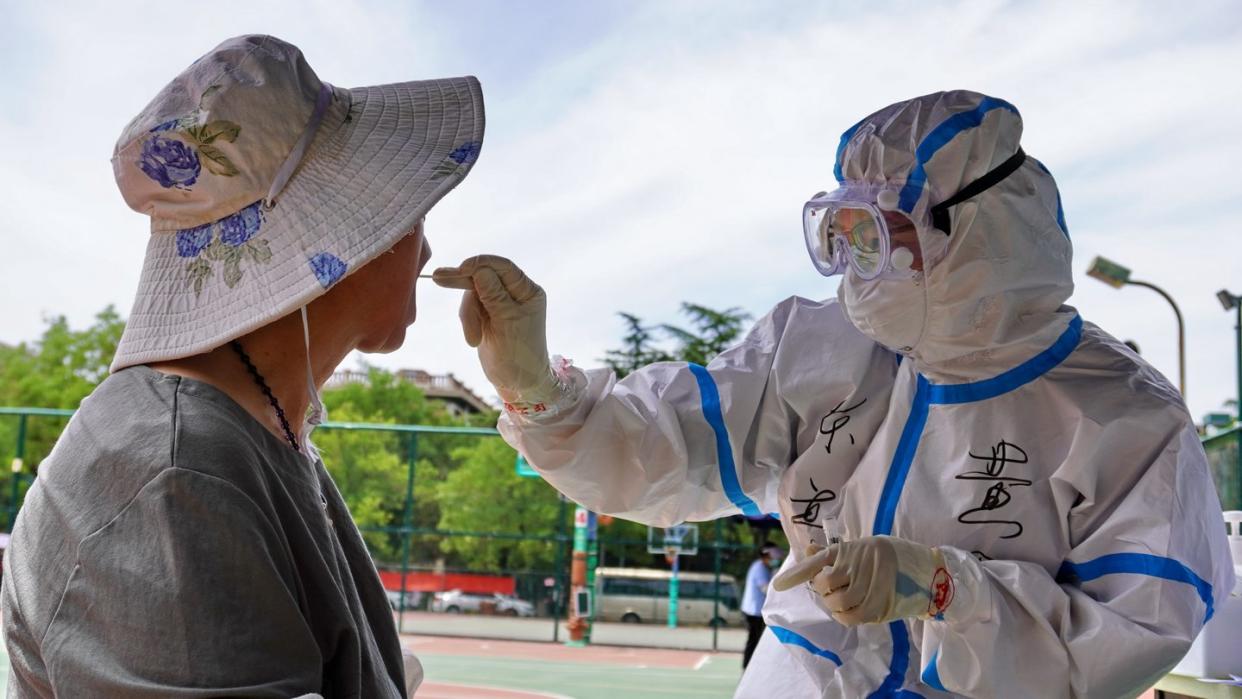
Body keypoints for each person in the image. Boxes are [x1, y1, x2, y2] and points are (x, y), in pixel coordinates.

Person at [434, 90, 1235, 697]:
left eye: (885, 235)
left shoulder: (1124, 414)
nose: (859, 266)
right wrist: (539, 390)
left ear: (979, 232)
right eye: (844, 236)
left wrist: (951, 587)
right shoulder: (817, 347)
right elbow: (663, 452)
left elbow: (1137, 630)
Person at [1, 35, 484, 698]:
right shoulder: (176, 472)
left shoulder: (246, 435)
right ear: (344, 235)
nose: (426, 246)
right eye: (411, 211)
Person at [742, 542, 783, 669]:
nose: (775, 559)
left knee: (756, 642)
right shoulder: (759, 567)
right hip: (754, 612)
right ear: (766, 555)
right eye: (773, 556)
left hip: (757, 612)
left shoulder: (765, 568)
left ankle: (752, 668)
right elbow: (765, 589)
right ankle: (748, 669)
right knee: (754, 642)